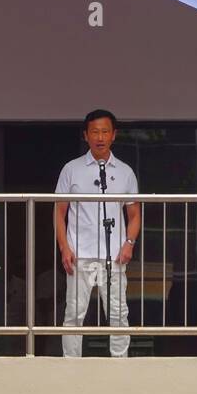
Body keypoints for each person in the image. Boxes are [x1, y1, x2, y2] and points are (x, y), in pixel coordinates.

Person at [54, 109, 140, 357]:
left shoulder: (125, 171)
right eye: (94, 132)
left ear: (114, 134)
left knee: (118, 314)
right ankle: (71, 365)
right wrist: (64, 247)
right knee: (74, 314)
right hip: (79, 254)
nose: (100, 137)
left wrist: (129, 243)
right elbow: (59, 211)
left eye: (105, 132)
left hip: (114, 256)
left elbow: (134, 214)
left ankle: (120, 365)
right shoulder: (71, 169)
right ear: (86, 135)